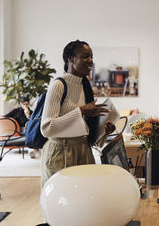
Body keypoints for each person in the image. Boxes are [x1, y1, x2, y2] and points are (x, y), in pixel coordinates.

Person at [40, 40, 115, 187]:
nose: (91, 61)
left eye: (92, 57)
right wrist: (80, 111)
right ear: (71, 59)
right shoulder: (58, 85)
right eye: (85, 56)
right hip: (60, 152)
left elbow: (85, 133)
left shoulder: (84, 85)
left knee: (85, 198)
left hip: (83, 150)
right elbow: (47, 128)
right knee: (59, 198)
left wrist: (105, 133)